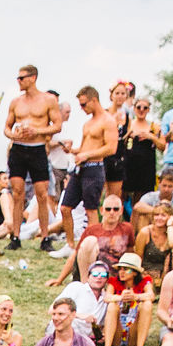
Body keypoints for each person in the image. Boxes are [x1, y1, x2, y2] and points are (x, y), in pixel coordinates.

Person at [54, 86, 118, 256]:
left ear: (94, 100)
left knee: (91, 210)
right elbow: (83, 147)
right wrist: (72, 150)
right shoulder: (88, 123)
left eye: (83, 104)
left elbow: (111, 148)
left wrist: (87, 154)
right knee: (65, 207)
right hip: (80, 168)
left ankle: (95, 247)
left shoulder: (108, 121)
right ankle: (70, 245)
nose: (82, 109)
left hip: (95, 169)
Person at [5, 65, 62, 250]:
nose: (19, 82)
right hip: (18, 149)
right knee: (17, 192)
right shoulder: (16, 102)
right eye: (18, 78)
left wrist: (37, 131)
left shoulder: (48, 100)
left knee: (42, 194)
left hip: (37, 148)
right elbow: (6, 127)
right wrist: (13, 134)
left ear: (33, 78)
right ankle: (15, 236)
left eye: (21, 78)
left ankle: (45, 237)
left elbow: (57, 125)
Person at [103, 253, 156, 346]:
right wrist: (121, 298)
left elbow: (151, 296)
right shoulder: (114, 282)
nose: (121, 272)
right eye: (120, 269)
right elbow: (107, 297)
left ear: (135, 272)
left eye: (126, 269)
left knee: (147, 305)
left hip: (133, 331)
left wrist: (135, 296)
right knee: (112, 305)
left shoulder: (144, 282)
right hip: (117, 331)